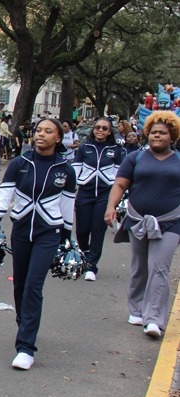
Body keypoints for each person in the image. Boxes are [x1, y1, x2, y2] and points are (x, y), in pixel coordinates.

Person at [0, 118, 76, 370]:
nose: (41, 134)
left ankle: (26, 348)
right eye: (39, 130)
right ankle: (24, 322)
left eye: (48, 131)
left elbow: (67, 204)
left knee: (34, 287)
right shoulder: (20, 163)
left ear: (58, 138)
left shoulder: (66, 170)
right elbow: (4, 193)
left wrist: (66, 238)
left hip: (49, 233)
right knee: (20, 285)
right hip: (22, 231)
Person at [105, 111, 180, 340]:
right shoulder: (135, 158)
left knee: (159, 267)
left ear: (172, 136)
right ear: (147, 133)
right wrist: (111, 207)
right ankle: (137, 309)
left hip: (171, 222)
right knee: (140, 266)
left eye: (163, 133)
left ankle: (153, 318)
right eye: (153, 132)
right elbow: (120, 184)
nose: (157, 136)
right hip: (138, 220)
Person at [73, 116, 124, 282]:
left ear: (109, 132)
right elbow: (76, 169)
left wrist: (116, 197)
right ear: (93, 130)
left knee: (98, 229)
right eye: (97, 127)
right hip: (85, 193)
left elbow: (119, 175)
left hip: (104, 195)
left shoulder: (116, 150)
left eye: (104, 128)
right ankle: (86, 254)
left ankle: (91, 266)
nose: (100, 130)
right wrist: (72, 186)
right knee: (82, 231)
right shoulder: (84, 148)